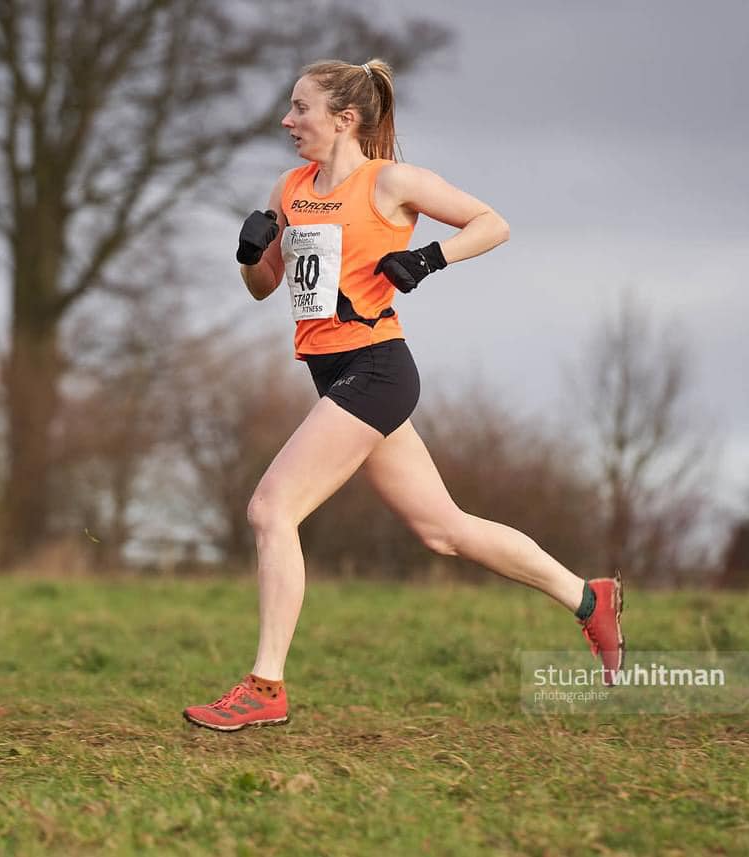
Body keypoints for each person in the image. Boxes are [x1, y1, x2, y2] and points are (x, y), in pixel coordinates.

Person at [182, 60, 624, 732]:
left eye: (300, 109)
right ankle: (588, 598)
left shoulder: (390, 182)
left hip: (379, 368)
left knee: (272, 508)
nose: (286, 121)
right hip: (331, 373)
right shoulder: (290, 188)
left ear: (343, 118)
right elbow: (265, 286)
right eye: (289, 109)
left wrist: (428, 258)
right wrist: (250, 256)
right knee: (444, 530)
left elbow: (492, 222)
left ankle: (265, 685)